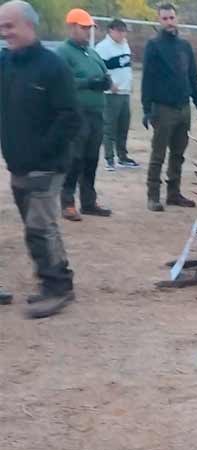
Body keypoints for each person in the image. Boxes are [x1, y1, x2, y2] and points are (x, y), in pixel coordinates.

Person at [0, 0, 79, 317]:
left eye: (10, 26)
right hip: (18, 163)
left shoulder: (53, 66)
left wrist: (42, 152)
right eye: (1, 26)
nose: (4, 32)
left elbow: (70, 117)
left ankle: (56, 289)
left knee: (39, 227)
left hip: (46, 164)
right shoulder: (7, 63)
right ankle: (59, 280)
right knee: (41, 225)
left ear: (29, 25)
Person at [141, 2, 197, 212]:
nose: (169, 22)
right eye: (165, 18)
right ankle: (153, 196)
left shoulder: (184, 46)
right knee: (158, 154)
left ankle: (174, 193)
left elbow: (192, 76)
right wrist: (146, 108)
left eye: (171, 18)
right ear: (160, 20)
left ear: (177, 19)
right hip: (163, 108)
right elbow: (147, 79)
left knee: (178, 153)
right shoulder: (154, 46)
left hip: (183, 108)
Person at [57, 8, 113, 221]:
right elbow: (62, 82)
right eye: (84, 27)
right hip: (77, 113)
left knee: (91, 158)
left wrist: (105, 81)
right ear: (71, 27)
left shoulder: (92, 52)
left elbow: (104, 72)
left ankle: (89, 202)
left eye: (89, 28)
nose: (88, 32)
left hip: (96, 112)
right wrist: (88, 83)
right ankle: (68, 202)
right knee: (75, 158)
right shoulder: (63, 52)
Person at [95, 18, 138, 171]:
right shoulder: (103, 48)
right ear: (111, 31)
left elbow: (126, 67)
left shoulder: (125, 45)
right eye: (119, 31)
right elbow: (99, 70)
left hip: (125, 92)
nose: (122, 34)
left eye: (123, 31)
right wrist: (109, 84)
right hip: (111, 93)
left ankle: (123, 156)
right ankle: (109, 159)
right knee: (110, 126)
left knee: (123, 126)